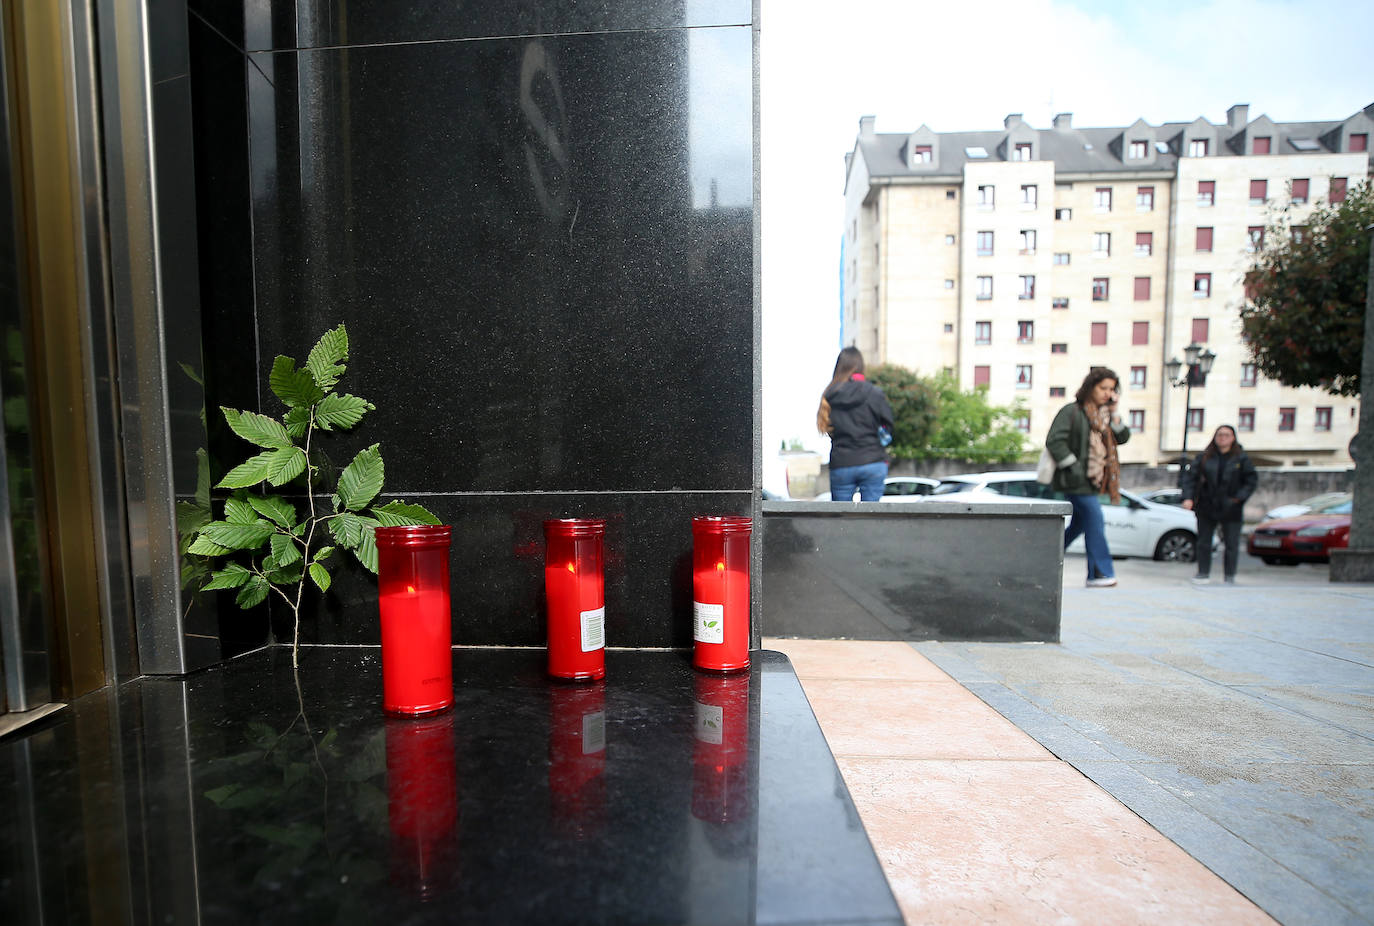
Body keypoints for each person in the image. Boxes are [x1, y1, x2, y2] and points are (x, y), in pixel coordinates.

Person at [1046, 367, 1130, 587]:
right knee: (1095, 519)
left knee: (1080, 525)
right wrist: (1074, 467)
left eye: (1111, 389)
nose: (1107, 393)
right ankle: (1099, 573)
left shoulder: (1104, 416)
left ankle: (1043, 557)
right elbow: (1055, 441)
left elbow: (1122, 437)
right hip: (1076, 480)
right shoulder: (1072, 411)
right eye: (1103, 388)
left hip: (1095, 481)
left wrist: (1115, 412)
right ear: (1091, 387)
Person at [1180, 425, 1257, 584]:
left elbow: (1251, 481)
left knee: (1231, 544)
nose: (1222, 438)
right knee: (1204, 542)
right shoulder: (1204, 457)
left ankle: (1229, 576)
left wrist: (1238, 499)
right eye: (1219, 434)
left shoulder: (1241, 458)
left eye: (1226, 435)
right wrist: (1188, 497)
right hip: (1207, 505)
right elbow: (1190, 478)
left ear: (1233, 438)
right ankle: (1203, 573)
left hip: (1231, 507)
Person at [816, 347, 894, 502]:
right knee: (871, 516)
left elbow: (827, 427)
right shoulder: (874, 393)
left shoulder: (829, 395)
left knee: (841, 520)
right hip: (873, 460)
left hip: (842, 462)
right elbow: (888, 428)